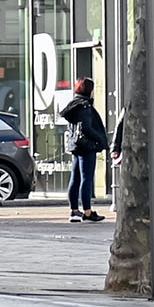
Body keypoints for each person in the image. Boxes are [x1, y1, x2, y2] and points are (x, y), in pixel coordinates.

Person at [61, 77, 109, 221]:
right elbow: (86, 127)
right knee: (86, 178)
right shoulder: (85, 106)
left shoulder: (74, 104)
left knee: (75, 178)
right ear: (89, 90)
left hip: (76, 145)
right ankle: (87, 212)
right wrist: (100, 139)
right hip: (86, 146)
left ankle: (74, 210)